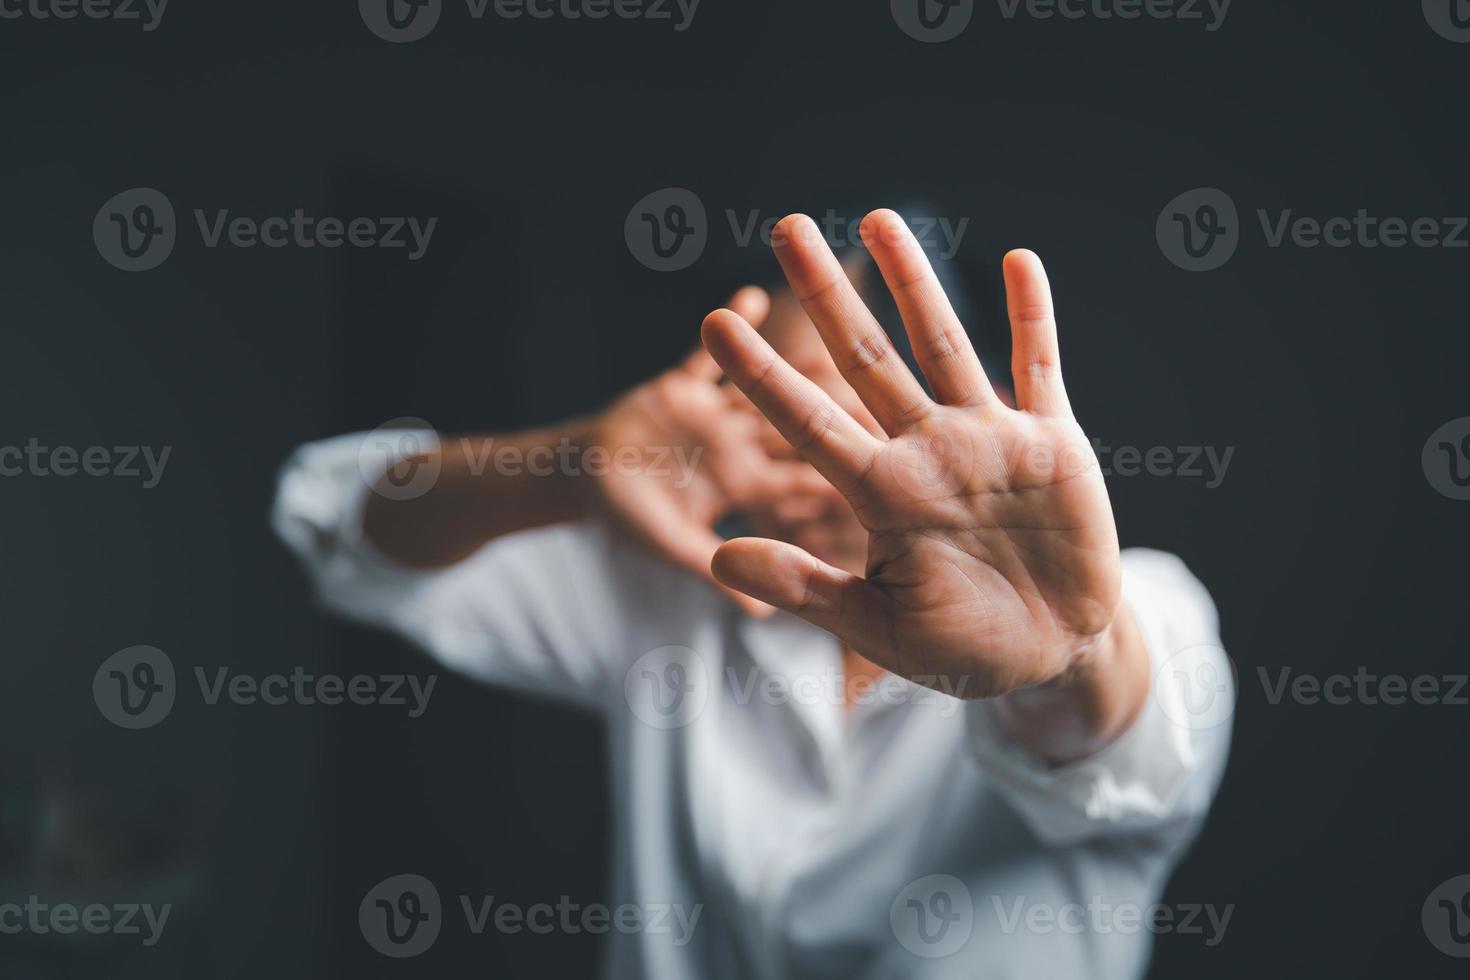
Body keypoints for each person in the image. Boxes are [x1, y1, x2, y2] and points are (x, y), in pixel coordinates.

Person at [272, 209, 1231, 977]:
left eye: (817, 396)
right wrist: (572, 464)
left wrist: (1069, 649)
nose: (777, 439)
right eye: (754, 398)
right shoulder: (693, 587)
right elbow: (336, 527)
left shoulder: (1149, 613)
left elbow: (1112, 732)